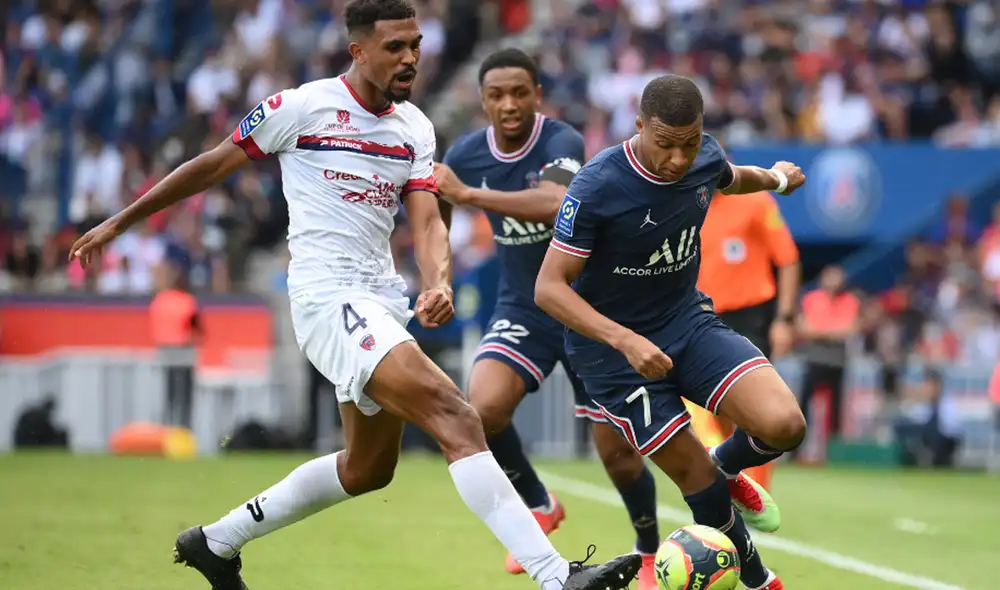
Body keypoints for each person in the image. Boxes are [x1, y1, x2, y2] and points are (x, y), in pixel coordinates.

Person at [68, 2, 641, 590]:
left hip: (381, 300)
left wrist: (438, 279)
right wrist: (120, 222)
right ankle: (555, 577)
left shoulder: (415, 127)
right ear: (358, 51)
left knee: (368, 468)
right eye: (395, 46)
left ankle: (218, 542)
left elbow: (426, 223)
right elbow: (212, 165)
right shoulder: (301, 107)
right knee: (456, 415)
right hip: (326, 297)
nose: (411, 57)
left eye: (416, 45)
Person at [433, 48, 777, 590]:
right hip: (536, 307)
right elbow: (439, 204)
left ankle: (648, 549)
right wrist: (438, 276)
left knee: (618, 457)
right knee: (484, 408)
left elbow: (552, 202)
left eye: (520, 92)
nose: (509, 104)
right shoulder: (469, 154)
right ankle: (540, 503)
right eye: (497, 94)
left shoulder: (562, 143)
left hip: (611, 310)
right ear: (480, 100)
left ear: (538, 94)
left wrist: (470, 195)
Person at [535, 74, 809, 590]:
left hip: (686, 320)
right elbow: (549, 289)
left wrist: (775, 177)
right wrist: (626, 340)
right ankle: (756, 578)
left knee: (785, 424)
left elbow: (727, 176)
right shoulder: (597, 186)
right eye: (666, 145)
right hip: (612, 353)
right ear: (639, 126)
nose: (679, 159)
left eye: (689, 143)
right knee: (694, 481)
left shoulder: (700, 154)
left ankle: (726, 466)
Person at [689, 184, 801, 491]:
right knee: (716, 408)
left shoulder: (754, 201)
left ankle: (757, 491)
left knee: (755, 410)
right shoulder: (686, 204)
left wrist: (784, 319)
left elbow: (788, 259)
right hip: (704, 316)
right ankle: (732, 481)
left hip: (751, 317)